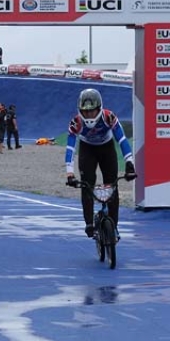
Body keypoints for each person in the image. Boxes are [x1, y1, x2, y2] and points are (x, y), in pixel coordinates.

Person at [64, 88, 137, 239]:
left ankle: (114, 227)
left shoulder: (109, 117)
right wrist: (69, 173)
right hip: (87, 150)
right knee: (86, 185)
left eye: (92, 111)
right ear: (80, 111)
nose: (89, 115)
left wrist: (129, 163)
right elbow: (70, 148)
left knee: (112, 186)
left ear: (99, 109)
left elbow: (122, 140)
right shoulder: (76, 123)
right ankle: (89, 223)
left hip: (106, 149)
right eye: (85, 112)